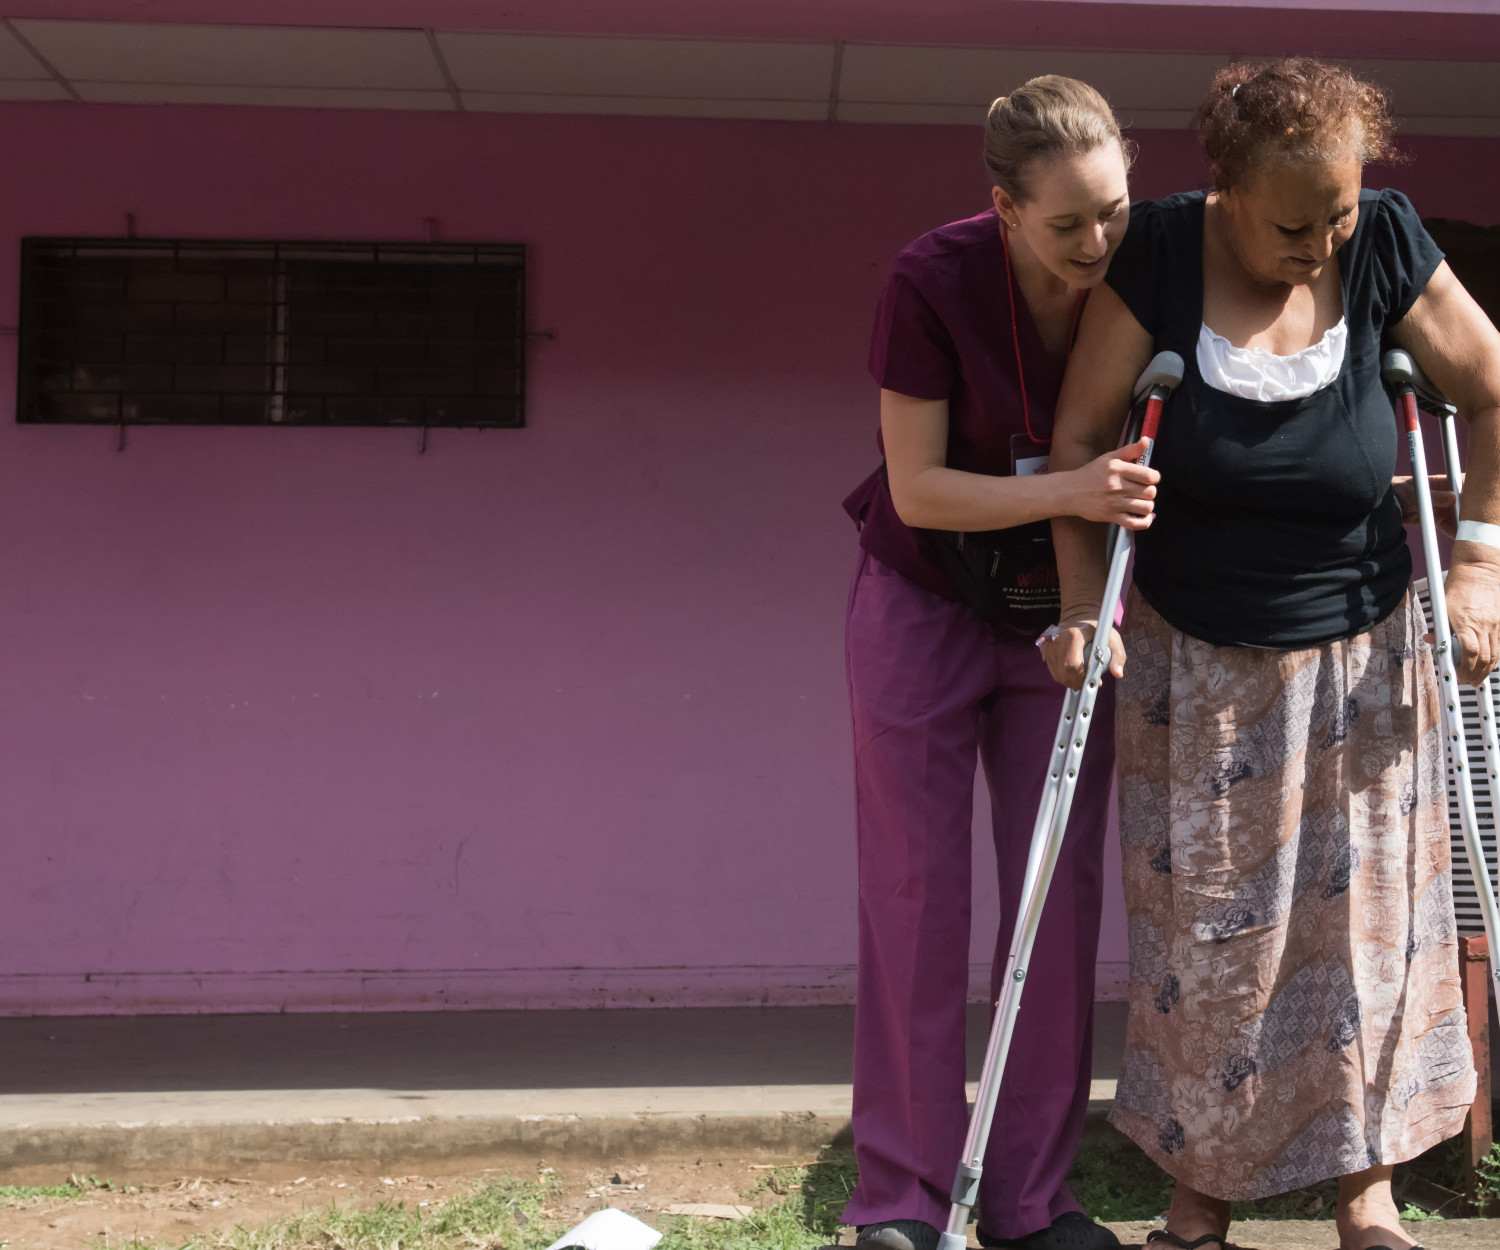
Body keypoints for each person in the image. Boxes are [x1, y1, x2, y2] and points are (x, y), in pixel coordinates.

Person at [1045, 58, 1500, 1250]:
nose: (1323, 242)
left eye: (1341, 212)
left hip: (1364, 652)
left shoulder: (1387, 244)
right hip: (1195, 658)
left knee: (1374, 934)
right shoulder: (1156, 252)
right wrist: (1084, 610)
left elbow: (1494, 385)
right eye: (1297, 222)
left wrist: (1480, 563)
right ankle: (1204, 1195)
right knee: (1211, 933)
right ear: (1228, 193)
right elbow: (1082, 439)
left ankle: (1370, 1192)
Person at [841, 76, 1161, 1250]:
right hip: (923, 595)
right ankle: (902, 1198)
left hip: (1069, 604)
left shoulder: (1142, 267)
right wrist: (1077, 484)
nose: (1096, 242)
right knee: (916, 897)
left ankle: (1031, 1200)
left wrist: (1085, 555)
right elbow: (918, 484)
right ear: (1005, 207)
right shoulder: (930, 278)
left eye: (1113, 212)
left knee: (1054, 894)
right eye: (1067, 222)